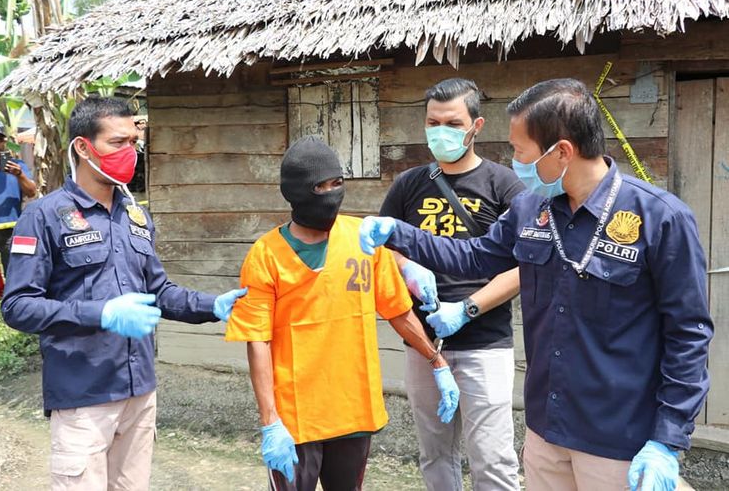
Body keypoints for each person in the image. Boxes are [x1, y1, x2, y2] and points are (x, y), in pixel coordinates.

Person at [359, 78, 713, 491]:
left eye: (520, 151)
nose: (514, 161)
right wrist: (398, 234)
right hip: (546, 429)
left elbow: (688, 333)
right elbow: (474, 256)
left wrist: (667, 440)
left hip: (620, 440)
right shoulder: (532, 208)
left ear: (562, 151)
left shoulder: (659, 218)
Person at [1, 97, 245, 491]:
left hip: (139, 393)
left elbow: (159, 291)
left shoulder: (135, 216)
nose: (130, 152)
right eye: (118, 142)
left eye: (134, 141)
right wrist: (100, 313)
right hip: (83, 397)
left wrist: (211, 306)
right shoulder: (44, 215)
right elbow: (17, 307)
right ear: (83, 147)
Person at [222, 135, 460, 491]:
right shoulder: (266, 255)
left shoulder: (363, 239)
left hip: (353, 409)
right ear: (297, 192)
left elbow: (397, 311)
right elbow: (257, 341)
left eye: (338, 183)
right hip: (295, 419)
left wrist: (436, 361)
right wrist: (270, 421)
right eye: (321, 185)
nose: (333, 192)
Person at [379, 78, 523, 490]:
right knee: (436, 454)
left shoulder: (504, 184)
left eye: (453, 123)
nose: (441, 131)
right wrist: (406, 266)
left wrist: (467, 308)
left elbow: (526, 266)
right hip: (422, 345)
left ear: (476, 126)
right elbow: (384, 246)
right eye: (433, 122)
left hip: (486, 344)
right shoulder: (408, 184)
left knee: (492, 459)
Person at [0, 119, 36, 309]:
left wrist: (19, 175)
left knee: (17, 274)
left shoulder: (18, 165)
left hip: (14, 229)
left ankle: (15, 315)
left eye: (0, 140)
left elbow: (32, 192)